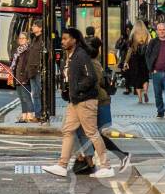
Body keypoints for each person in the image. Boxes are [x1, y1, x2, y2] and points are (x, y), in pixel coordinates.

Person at [43, 28, 113, 179]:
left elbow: (91, 77)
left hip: (85, 100)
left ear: (74, 40)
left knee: (92, 133)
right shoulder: (70, 56)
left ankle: (106, 166)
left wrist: (77, 89)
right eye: (62, 39)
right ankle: (62, 165)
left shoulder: (81, 55)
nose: (63, 41)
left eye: (66, 38)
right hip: (75, 100)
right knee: (68, 130)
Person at [70, 37, 131, 175]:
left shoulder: (92, 64)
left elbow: (95, 84)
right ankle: (88, 161)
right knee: (88, 133)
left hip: (99, 103)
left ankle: (118, 157)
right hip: (96, 102)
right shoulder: (91, 63)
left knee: (91, 133)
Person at [10, 31, 35, 122]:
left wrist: (25, 76)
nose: (20, 40)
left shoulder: (28, 50)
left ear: (27, 40)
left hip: (24, 77)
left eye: (23, 38)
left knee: (26, 97)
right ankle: (24, 116)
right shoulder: (18, 50)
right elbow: (16, 64)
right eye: (19, 38)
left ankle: (30, 116)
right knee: (21, 97)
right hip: (17, 76)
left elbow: (27, 65)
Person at [125, 21, 151, 104]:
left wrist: (126, 61)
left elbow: (130, 50)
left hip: (135, 59)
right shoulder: (147, 34)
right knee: (145, 77)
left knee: (137, 78)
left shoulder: (133, 35)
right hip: (145, 58)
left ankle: (140, 98)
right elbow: (150, 46)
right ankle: (146, 92)